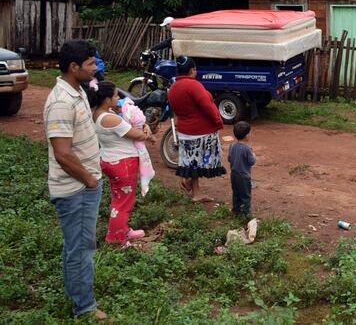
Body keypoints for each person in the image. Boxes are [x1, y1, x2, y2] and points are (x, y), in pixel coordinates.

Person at [43, 40, 107, 320]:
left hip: (82, 186)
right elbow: (63, 155)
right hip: (76, 190)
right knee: (81, 249)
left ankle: (77, 296)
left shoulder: (77, 91)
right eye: (91, 63)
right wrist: (90, 181)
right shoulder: (60, 102)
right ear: (74, 67)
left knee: (76, 247)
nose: (95, 68)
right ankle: (85, 308)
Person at [90, 81, 154, 247]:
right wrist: (145, 131)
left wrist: (143, 127)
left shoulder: (99, 114)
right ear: (107, 99)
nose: (118, 98)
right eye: (116, 95)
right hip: (122, 163)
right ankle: (117, 239)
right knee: (123, 203)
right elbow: (136, 135)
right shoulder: (111, 119)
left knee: (119, 200)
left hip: (111, 160)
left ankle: (123, 230)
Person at [167, 55, 226, 201]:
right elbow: (208, 106)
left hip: (185, 131)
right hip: (201, 132)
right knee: (202, 160)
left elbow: (175, 109)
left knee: (193, 163)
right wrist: (218, 122)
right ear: (192, 70)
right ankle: (188, 181)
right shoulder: (194, 85)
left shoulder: (173, 87)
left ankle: (196, 193)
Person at [228, 121, 256, 215]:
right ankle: (246, 213)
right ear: (247, 136)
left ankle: (235, 210)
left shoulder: (232, 146)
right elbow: (251, 162)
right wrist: (253, 155)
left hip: (234, 174)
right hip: (244, 176)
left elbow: (229, 159)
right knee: (246, 195)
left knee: (236, 193)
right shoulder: (247, 149)